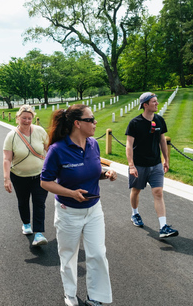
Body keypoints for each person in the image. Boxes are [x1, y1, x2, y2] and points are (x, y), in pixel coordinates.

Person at [41, 104, 117, 306]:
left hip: (94, 211)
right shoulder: (57, 150)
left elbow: (92, 170)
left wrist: (105, 174)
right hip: (68, 213)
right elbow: (45, 181)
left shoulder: (93, 144)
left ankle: (96, 297)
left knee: (98, 254)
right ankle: (70, 295)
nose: (95, 122)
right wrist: (71, 193)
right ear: (77, 123)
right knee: (68, 256)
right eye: (91, 119)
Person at [125, 92, 178, 238]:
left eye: (156, 101)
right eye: (154, 101)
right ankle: (135, 214)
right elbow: (129, 145)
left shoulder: (159, 120)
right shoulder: (134, 123)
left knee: (158, 193)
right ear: (145, 105)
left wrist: (166, 159)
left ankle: (163, 227)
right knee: (136, 191)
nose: (157, 103)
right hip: (139, 165)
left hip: (155, 165)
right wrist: (131, 165)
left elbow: (162, 141)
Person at [3, 105, 49, 246]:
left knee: (39, 203)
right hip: (19, 176)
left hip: (39, 176)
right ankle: (26, 224)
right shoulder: (12, 136)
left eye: (29, 118)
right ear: (18, 118)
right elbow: (7, 159)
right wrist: (6, 178)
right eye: (24, 118)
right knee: (23, 202)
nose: (27, 121)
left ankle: (39, 234)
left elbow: (50, 149)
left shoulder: (40, 131)